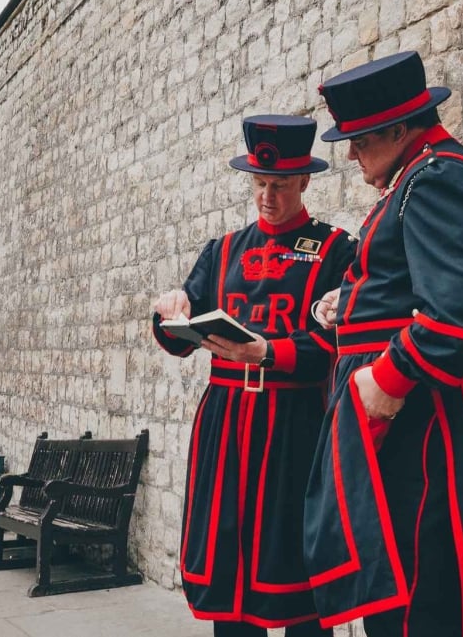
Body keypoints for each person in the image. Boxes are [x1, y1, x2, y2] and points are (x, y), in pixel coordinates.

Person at [302, 51, 463, 636]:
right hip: (406, 423)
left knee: (423, 604)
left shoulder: (438, 178)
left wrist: (381, 383)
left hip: (423, 426)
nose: (351, 154)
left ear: (399, 129)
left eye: (361, 139)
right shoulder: (417, 176)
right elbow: (407, 285)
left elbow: (454, 315)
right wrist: (346, 307)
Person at [152, 115, 354, 636]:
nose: (268, 195)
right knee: (228, 565)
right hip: (226, 426)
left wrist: (267, 351)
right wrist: (169, 310)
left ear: (304, 181)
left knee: (297, 566)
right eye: (260, 184)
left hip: (297, 424)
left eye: (280, 185)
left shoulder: (335, 250)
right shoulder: (222, 251)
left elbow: (338, 340)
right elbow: (179, 335)